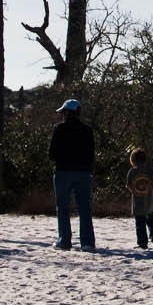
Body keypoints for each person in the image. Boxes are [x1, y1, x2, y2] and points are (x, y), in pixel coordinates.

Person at [49, 98, 95, 250]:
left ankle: (64, 241)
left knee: (62, 207)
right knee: (85, 208)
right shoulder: (88, 130)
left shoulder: (59, 129)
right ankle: (87, 243)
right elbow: (91, 154)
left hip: (63, 172)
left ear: (68, 112)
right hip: (83, 173)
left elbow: (52, 153)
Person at [126, 147, 153, 249]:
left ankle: (142, 243)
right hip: (150, 201)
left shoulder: (131, 171)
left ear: (133, 160)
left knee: (140, 223)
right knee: (152, 220)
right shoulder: (150, 170)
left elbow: (129, 185)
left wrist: (135, 192)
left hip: (138, 202)